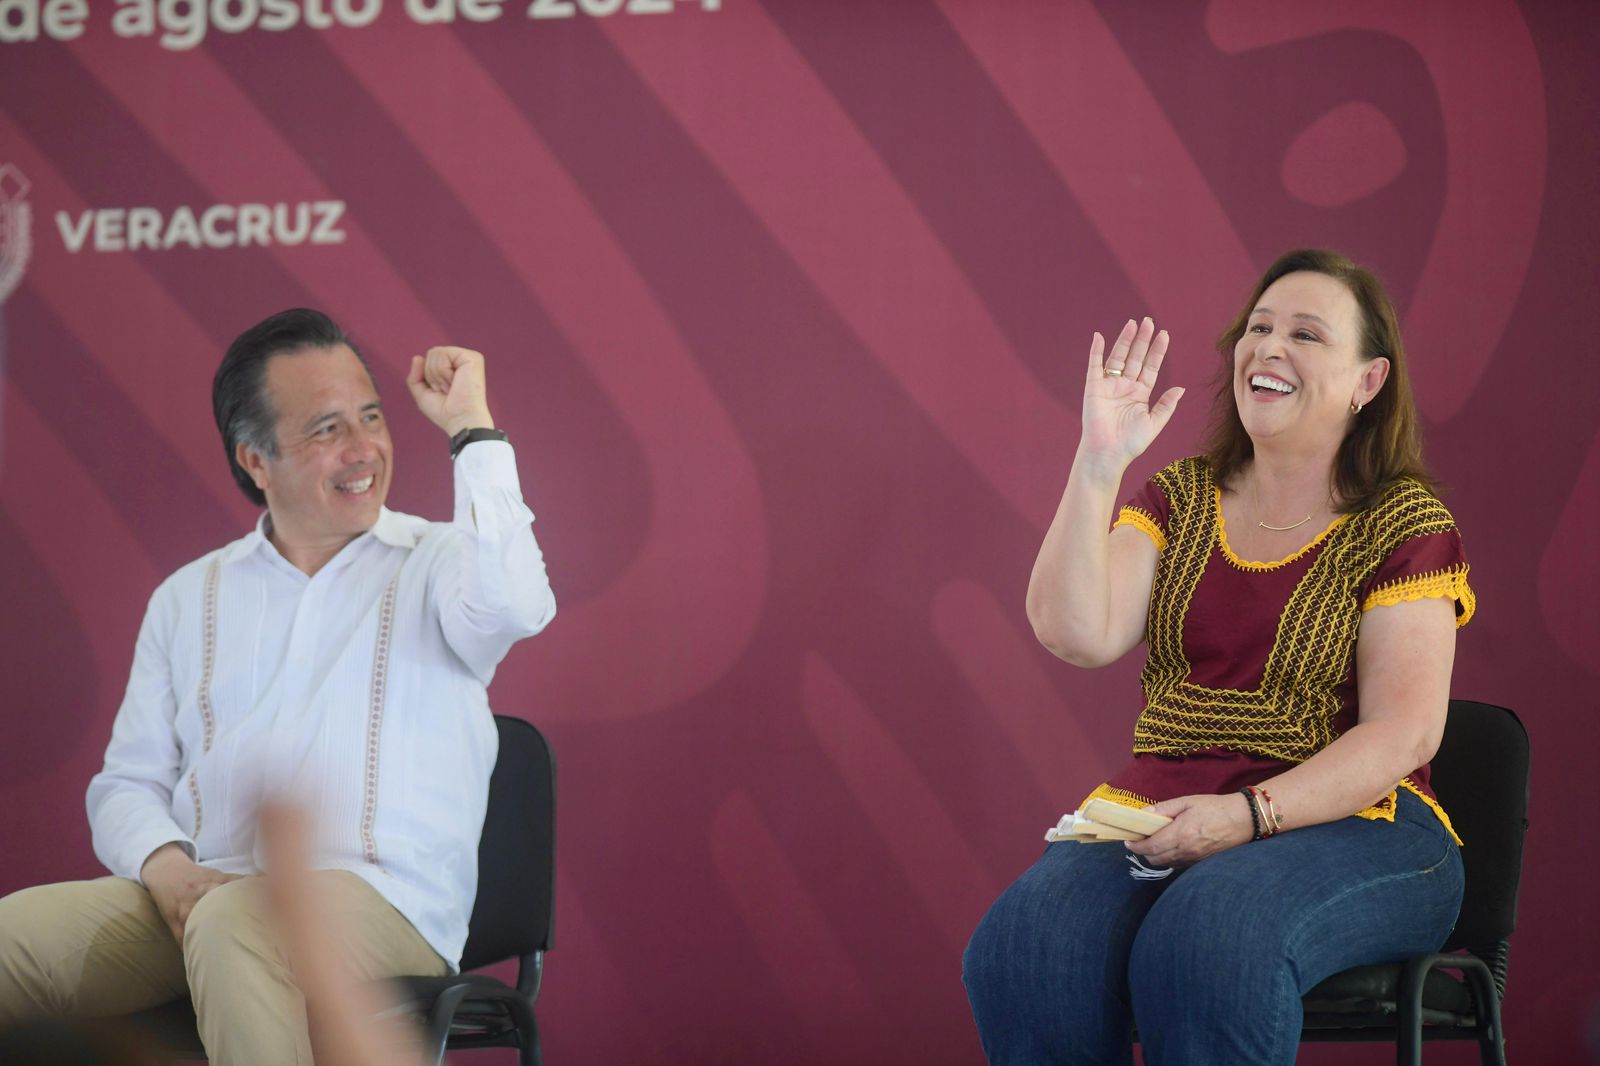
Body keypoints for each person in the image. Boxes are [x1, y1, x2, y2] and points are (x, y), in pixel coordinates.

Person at [0, 309, 557, 1064]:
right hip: (202, 897)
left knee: (238, 927)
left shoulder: (439, 563)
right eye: (328, 429)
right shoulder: (188, 596)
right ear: (255, 460)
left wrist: (472, 431)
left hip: (383, 905)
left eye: (371, 417)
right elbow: (126, 783)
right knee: (13, 943)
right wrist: (166, 868)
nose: (363, 449)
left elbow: (519, 606)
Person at [962, 249, 1473, 1065]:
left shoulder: (1403, 521)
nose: (1268, 347)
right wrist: (1098, 463)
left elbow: (1404, 734)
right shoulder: (1181, 495)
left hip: (1360, 823)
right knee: (1024, 949)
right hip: (1166, 811)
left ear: (1367, 382)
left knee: (1209, 934)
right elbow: (1075, 632)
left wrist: (1246, 817)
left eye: (1306, 334)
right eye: (1258, 328)